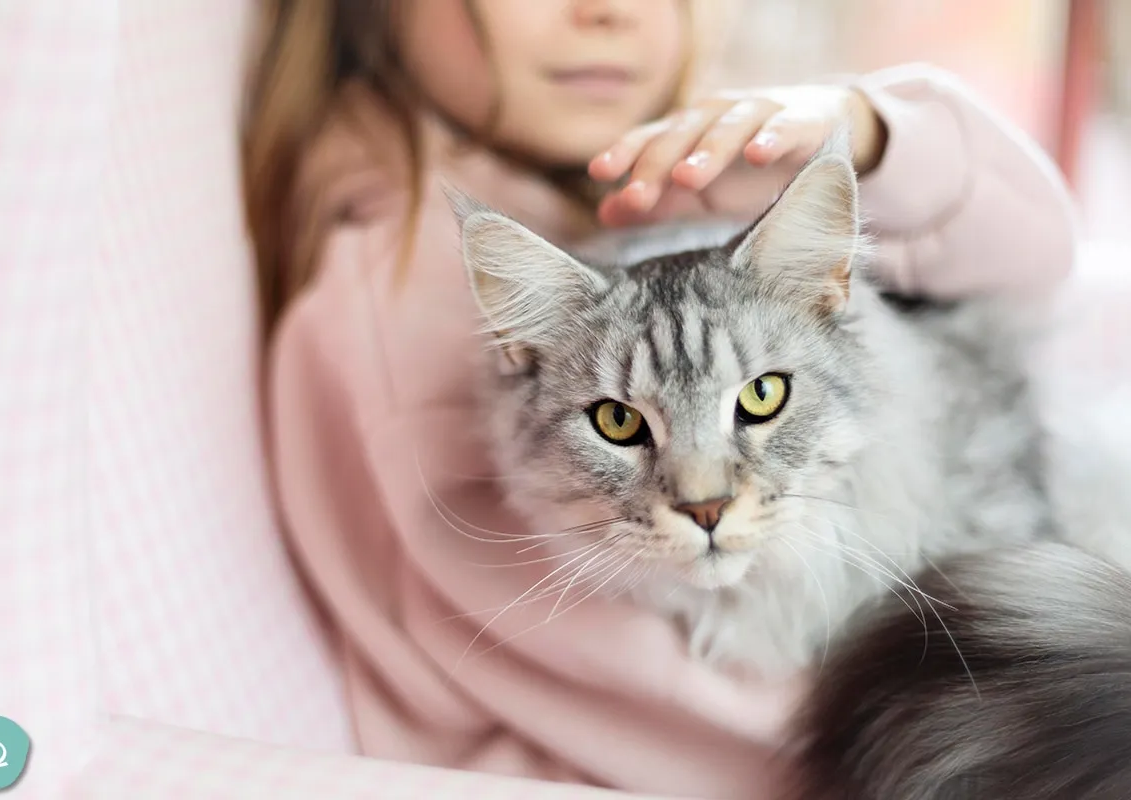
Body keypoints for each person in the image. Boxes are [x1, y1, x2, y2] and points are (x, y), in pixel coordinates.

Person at [242, 2, 1077, 797]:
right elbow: (726, 734)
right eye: (621, 423)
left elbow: (1039, 267)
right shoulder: (395, 306)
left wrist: (870, 136)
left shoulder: (666, 189)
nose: (704, 496)